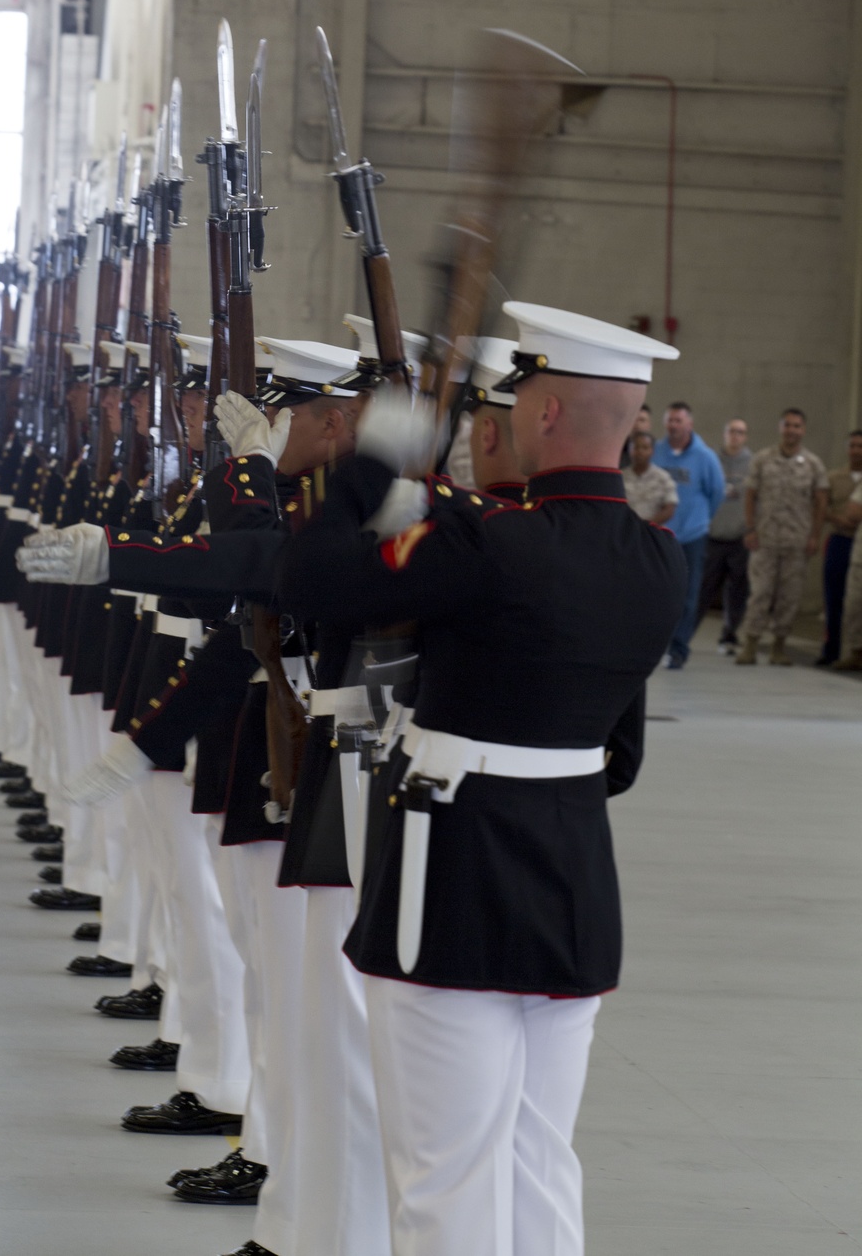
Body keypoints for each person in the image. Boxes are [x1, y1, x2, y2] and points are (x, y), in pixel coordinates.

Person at [277, 301, 686, 1256]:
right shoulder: (658, 562)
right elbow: (618, 758)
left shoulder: (486, 543)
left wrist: (379, 453)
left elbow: (313, 580)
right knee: (539, 1159)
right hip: (575, 881)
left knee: (443, 1170)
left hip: (452, 874)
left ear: (543, 416)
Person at [735, 408, 828, 666]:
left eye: (797, 426)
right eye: (787, 425)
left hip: (797, 542)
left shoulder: (813, 464)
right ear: (780, 428)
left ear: (803, 430)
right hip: (765, 539)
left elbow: (821, 502)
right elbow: (750, 495)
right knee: (760, 593)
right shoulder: (763, 459)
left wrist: (815, 535)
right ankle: (750, 644)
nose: (792, 430)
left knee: (790, 596)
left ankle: (779, 647)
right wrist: (751, 528)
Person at [652, 402, 726, 668]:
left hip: (693, 536)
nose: (673, 425)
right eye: (670, 420)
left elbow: (717, 493)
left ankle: (679, 648)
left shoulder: (704, 457)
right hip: (661, 534)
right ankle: (656, 645)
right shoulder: (656, 452)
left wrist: (700, 519)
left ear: (689, 424)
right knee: (659, 593)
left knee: (689, 594)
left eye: (678, 421)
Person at [696, 418, 753, 655]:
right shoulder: (711, 460)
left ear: (745, 436)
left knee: (738, 590)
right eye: (731, 431)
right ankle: (683, 634)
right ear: (724, 434)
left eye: (740, 432)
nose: (735, 436)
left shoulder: (754, 463)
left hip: (740, 538)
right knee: (702, 589)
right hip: (713, 535)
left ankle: (729, 636)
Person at [816, 430, 862, 664]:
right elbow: (821, 508)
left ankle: (855, 650)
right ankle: (831, 648)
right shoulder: (834, 477)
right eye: (852, 446)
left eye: (860, 446)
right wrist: (838, 519)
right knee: (834, 597)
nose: (856, 451)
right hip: (842, 539)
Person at [622, 430, 678, 524]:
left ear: (652, 451)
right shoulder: (620, 477)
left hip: (653, 532)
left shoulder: (663, 478)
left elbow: (669, 510)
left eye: (645, 448)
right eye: (636, 447)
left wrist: (646, 527)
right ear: (630, 450)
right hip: (625, 531)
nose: (640, 452)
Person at [619, 401, 651, 468]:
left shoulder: (658, 449)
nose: (637, 424)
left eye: (642, 420)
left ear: (649, 424)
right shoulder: (617, 450)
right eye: (633, 420)